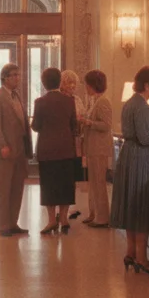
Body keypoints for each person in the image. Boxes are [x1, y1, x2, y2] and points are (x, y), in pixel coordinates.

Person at [110, 65, 149, 275]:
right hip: (141, 159)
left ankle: (131, 252)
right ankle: (142, 258)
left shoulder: (131, 104)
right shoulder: (142, 107)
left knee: (131, 206)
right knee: (141, 208)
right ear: (148, 85)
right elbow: (147, 138)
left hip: (129, 157)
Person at [31, 67, 79, 235]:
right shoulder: (69, 101)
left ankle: (52, 220)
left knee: (49, 185)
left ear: (43, 83)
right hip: (66, 149)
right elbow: (74, 125)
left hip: (47, 150)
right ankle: (64, 218)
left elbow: (35, 126)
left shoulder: (40, 102)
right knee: (66, 184)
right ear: (60, 82)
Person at [0, 62, 32, 237]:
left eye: (18, 74)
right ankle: (3, 225)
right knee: (4, 189)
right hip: (5, 150)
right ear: (5, 77)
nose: (17, 78)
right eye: (14, 75)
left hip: (20, 149)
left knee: (17, 188)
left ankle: (13, 222)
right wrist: (2, 145)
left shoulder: (17, 96)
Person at [79, 69, 113, 227]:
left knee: (99, 183)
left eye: (86, 84)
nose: (85, 87)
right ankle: (94, 213)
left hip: (99, 148)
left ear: (93, 85)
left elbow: (106, 125)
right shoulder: (95, 100)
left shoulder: (103, 101)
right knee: (93, 183)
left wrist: (88, 123)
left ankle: (103, 217)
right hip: (93, 147)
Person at [60, 69, 86, 216]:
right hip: (63, 140)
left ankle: (71, 204)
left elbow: (82, 116)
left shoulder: (77, 99)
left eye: (73, 83)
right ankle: (62, 206)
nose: (71, 86)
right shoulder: (59, 99)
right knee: (62, 174)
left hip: (75, 141)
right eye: (68, 82)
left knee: (73, 175)